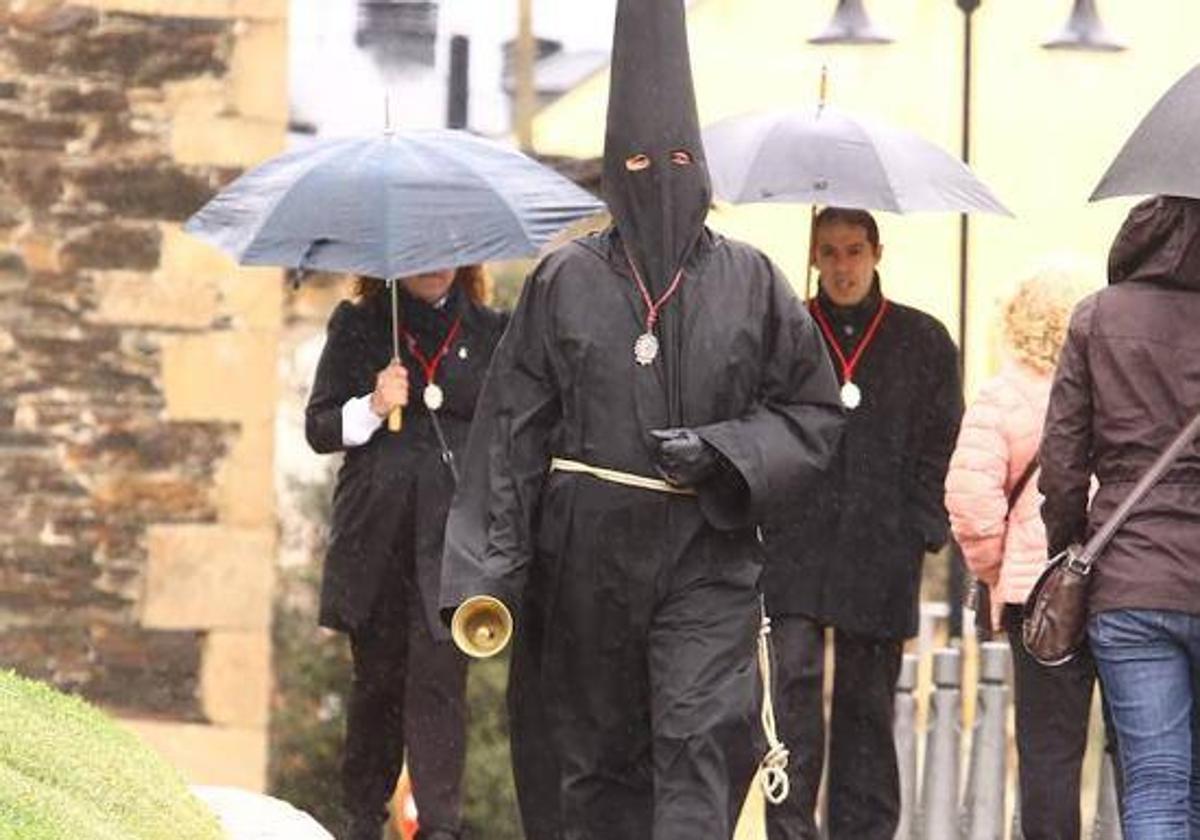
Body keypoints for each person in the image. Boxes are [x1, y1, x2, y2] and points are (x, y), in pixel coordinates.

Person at [438, 0, 845, 837]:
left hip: (706, 555)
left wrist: (727, 452)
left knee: (699, 737)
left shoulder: (753, 282)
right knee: (596, 760)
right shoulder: (564, 282)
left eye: (679, 160)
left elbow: (811, 410)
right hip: (586, 562)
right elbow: (511, 436)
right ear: (614, 175)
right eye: (638, 161)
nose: (660, 177)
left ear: (701, 169)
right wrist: (488, 573)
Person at [762, 207, 963, 840]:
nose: (842, 266)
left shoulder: (923, 339)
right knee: (790, 693)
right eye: (829, 252)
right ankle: (790, 828)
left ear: (878, 252)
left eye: (854, 251)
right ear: (814, 256)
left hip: (881, 546)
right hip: (795, 543)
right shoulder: (784, 332)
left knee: (866, 705)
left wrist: (920, 522)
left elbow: (943, 437)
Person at [305, 265, 507, 840]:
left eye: (448, 249)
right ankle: (361, 821)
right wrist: (371, 403)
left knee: (441, 686)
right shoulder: (360, 325)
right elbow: (319, 427)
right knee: (378, 683)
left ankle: (441, 828)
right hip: (378, 540)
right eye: (421, 251)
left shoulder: (493, 332)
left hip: (454, 546)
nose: (435, 263)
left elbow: (514, 430)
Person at [1040, 195, 1200, 840]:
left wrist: (1073, 549)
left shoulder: (1096, 318)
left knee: (1157, 779)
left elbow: (1062, 463)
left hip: (1129, 577)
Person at [946, 265, 1099, 840]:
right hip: (1115, 582)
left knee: (1048, 756)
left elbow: (970, 500)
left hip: (1037, 597)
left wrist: (994, 571)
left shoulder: (999, 395)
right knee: (1137, 750)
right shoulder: (1111, 390)